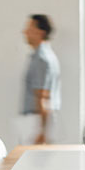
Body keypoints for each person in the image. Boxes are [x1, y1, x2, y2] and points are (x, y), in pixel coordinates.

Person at [19, 14, 61, 145]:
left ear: (40, 32)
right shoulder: (46, 55)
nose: (24, 32)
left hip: (37, 122)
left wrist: (42, 132)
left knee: (31, 164)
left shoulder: (41, 59)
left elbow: (43, 96)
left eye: (29, 29)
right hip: (40, 121)